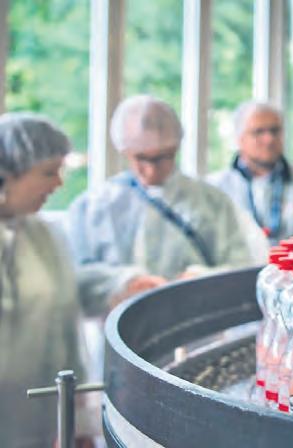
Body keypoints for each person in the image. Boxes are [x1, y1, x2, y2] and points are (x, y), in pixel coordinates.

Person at [67, 95, 265, 309]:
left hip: (195, 321)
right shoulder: (94, 206)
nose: (152, 169)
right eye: (141, 158)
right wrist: (123, 282)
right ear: (124, 151)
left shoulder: (212, 202)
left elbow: (243, 268)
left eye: (162, 157)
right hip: (116, 323)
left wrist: (202, 279)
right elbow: (75, 277)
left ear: (176, 148)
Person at [0, 113, 91, 447]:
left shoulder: (43, 234)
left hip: (40, 419)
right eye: (49, 172)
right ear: (8, 174)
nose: (59, 184)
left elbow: (66, 323)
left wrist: (77, 419)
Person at [208, 101, 293, 241]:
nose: (269, 139)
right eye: (259, 132)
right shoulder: (215, 189)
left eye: (275, 131)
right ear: (240, 139)